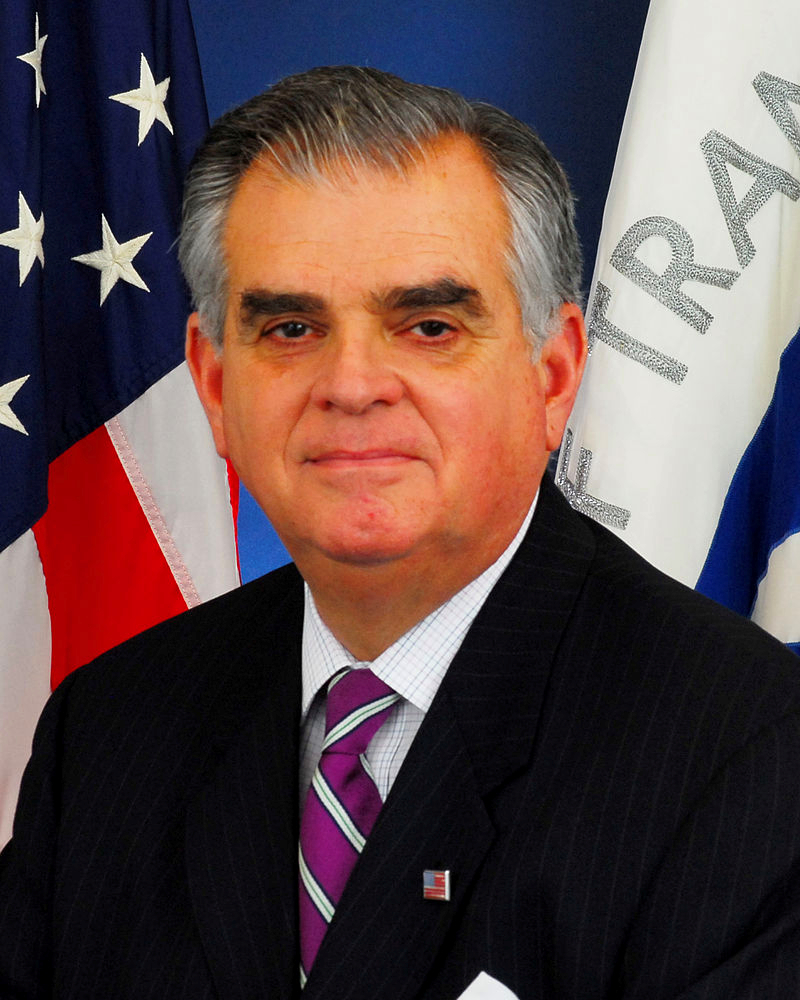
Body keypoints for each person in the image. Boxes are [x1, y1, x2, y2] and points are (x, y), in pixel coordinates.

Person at [2, 66, 799, 1000]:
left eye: (427, 327)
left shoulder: (747, 751)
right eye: (290, 328)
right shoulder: (107, 732)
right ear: (214, 388)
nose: (351, 385)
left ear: (552, 377)